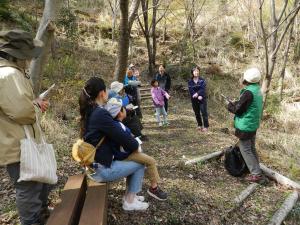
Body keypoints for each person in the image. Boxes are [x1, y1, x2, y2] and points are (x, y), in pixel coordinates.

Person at [0, 29, 52, 225]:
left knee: (37, 184)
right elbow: (25, 113)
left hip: (19, 142)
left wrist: (34, 103)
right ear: (16, 55)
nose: (30, 60)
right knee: (28, 188)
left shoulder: (10, 73)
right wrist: (37, 106)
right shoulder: (8, 75)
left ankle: (41, 217)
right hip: (18, 145)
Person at [79, 77, 149, 211]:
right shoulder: (100, 114)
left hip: (93, 165)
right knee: (140, 162)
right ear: (101, 93)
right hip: (101, 170)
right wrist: (135, 144)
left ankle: (131, 196)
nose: (107, 91)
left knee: (132, 158)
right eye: (106, 89)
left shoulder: (91, 111)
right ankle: (129, 201)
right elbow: (125, 139)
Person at [105, 98, 168, 201]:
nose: (126, 109)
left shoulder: (116, 124)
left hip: (123, 153)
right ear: (120, 113)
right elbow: (129, 143)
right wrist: (136, 146)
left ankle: (131, 194)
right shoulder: (117, 126)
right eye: (124, 108)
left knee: (142, 161)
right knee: (151, 161)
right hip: (124, 154)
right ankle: (154, 188)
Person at [226, 67, 266, 183]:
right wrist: (236, 102)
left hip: (246, 126)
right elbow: (246, 105)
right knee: (251, 148)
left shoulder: (248, 92)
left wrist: (229, 105)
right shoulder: (257, 90)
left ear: (246, 79)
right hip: (253, 124)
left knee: (245, 149)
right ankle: (256, 169)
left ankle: (256, 174)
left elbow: (238, 110)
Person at [188, 66, 209, 132]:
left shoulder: (202, 80)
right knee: (197, 113)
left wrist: (198, 94)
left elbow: (203, 89)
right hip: (194, 99)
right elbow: (191, 89)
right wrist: (196, 95)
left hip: (202, 98)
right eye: (195, 71)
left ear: (199, 72)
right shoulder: (190, 81)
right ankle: (199, 125)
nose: (196, 72)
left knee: (204, 113)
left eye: (197, 71)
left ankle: (206, 126)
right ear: (192, 72)